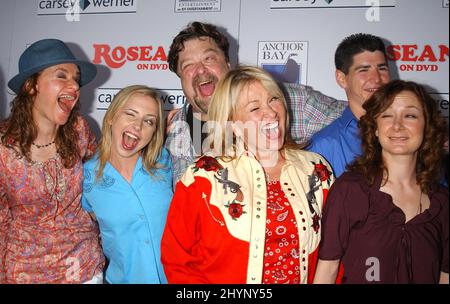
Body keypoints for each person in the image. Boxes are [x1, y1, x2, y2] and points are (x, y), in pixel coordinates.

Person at [161, 66, 334, 284]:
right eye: (255, 108)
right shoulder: (201, 175)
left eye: (274, 99)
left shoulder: (317, 170)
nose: (271, 112)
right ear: (233, 124)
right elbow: (176, 260)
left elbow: (335, 252)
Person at [165, 21, 347, 185]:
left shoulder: (286, 101)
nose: (200, 70)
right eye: (188, 65)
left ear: (228, 64)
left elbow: (357, 120)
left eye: (209, 58)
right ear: (180, 78)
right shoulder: (168, 132)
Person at [313, 80, 449, 284]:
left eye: (410, 115)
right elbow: (327, 271)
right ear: (375, 128)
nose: (397, 125)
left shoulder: (443, 202)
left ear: (427, 126)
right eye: (387, 115)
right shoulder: (349, 190)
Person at [0, 39, 105, 283]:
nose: (74, 86)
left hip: (84, 266)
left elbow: (101, 177)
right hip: (25, 271)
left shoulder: (80, 129)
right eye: (62, 76)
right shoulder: (3, 147)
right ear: (31, 86)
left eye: (76, 78)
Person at [81, 85, 173, 284]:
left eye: (149, 121)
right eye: (130, 114)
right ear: (112, 117)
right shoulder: (86, 177)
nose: (138, 126)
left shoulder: (165, 162)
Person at [308, 33, 391, 178]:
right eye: (364, 70)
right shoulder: (323, 147)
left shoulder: (411, 133)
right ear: (341, 79)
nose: (377, 79)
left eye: (382, 68)